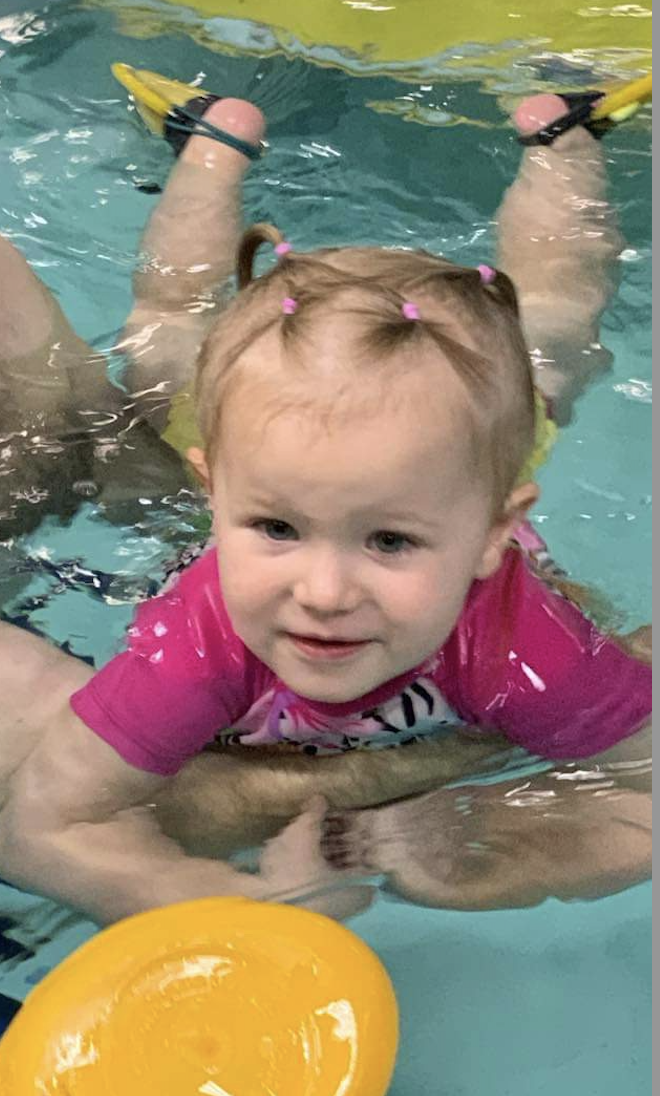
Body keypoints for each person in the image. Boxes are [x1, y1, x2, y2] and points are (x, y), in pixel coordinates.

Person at [0, 91, 650, 925]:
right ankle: (211, 143)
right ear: (212, 494)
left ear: (495, 534)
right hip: (340, 453)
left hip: (450, 455)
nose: (324, 591)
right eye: (275, 529)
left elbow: (646, 793)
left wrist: (491, 850)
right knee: (165, 344)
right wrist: (256, 904)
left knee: (552, 342)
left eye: (388, 541)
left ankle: (564, 137)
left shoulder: (519, 642)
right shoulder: (199, 641)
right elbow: (45, 828)